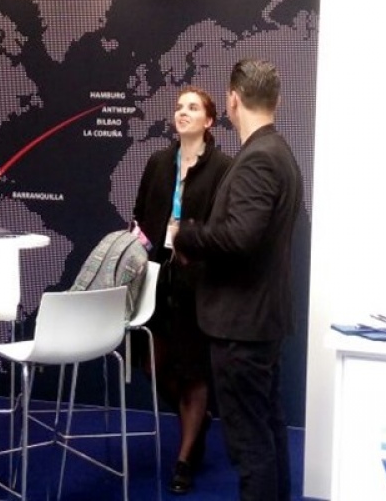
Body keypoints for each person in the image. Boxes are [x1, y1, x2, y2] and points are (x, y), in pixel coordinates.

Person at [173, 58, 303, 501]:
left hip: (241, 327)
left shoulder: (259, 159)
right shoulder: (278, 152)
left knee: (251, 445)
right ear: (276, 100)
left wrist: (187, 235)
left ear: (231, 101)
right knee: (267, 432)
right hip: (259, 322)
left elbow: (240, 236)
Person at [132, 85, 232, 495]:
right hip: (157, 280)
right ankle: (197, 418)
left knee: (194, 371)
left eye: (193, 107)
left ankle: (185, 459)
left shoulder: (223, 168)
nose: (183, 112)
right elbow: (140, 215)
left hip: (198, 283)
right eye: (179, 107)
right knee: (152, 366)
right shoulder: (158, 163)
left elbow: (224, 227)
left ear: (209, 120)